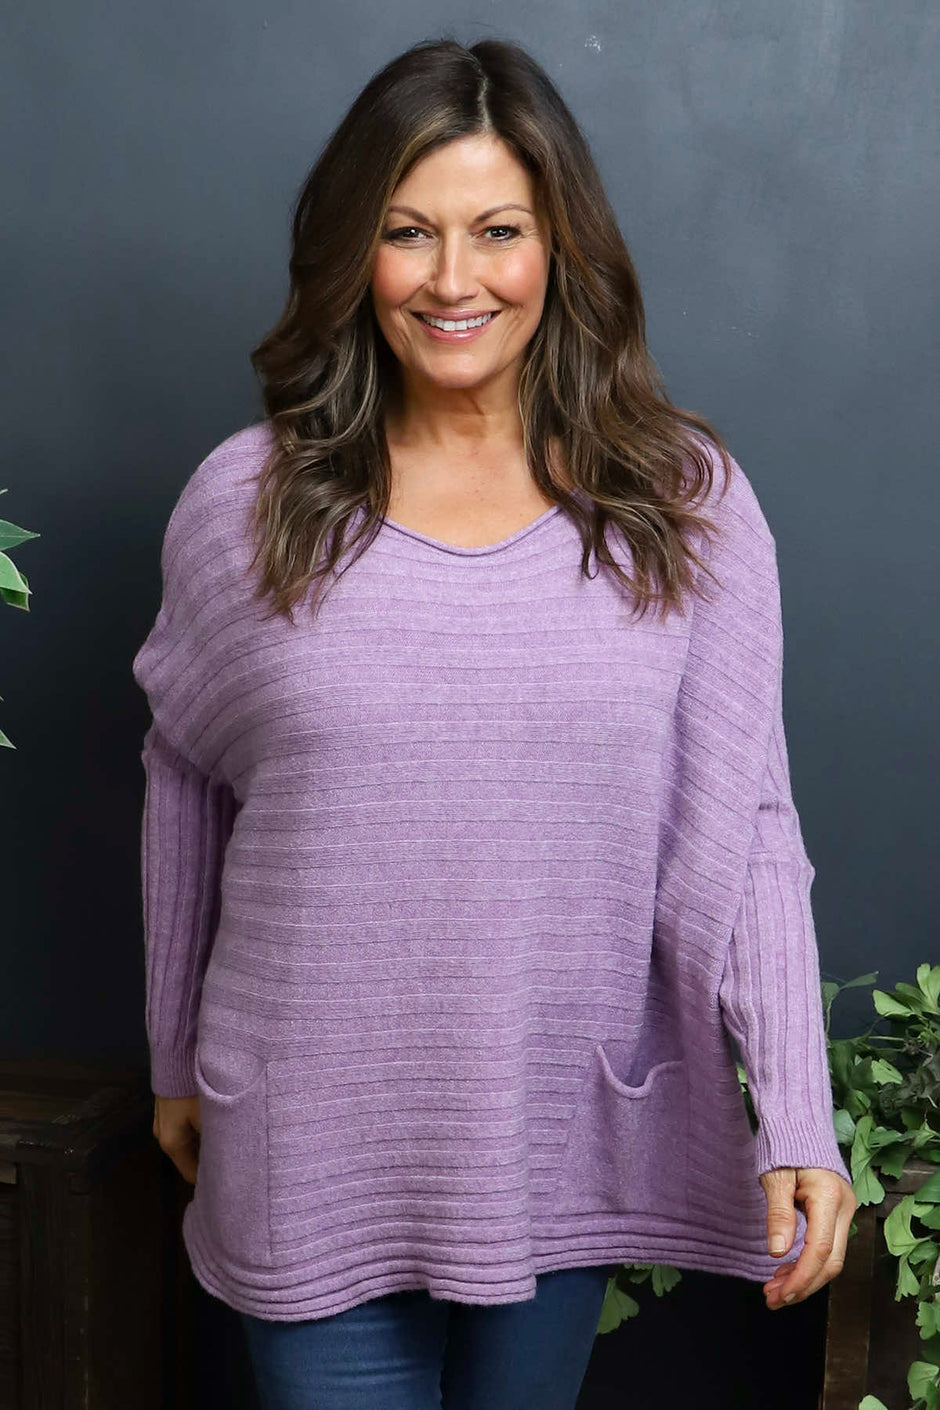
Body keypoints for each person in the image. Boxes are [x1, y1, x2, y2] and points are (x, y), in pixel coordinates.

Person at [132, 35, 856, 1410]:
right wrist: (174, 1052)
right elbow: (184, 776)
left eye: (499, 231)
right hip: (305, 1131)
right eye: (407, 232)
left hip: (554, 1131)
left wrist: (797, 1108)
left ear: (561, 246)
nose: (453, 279)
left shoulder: (681, 503)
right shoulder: (248, 503)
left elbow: (750, 816)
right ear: (353, 253)